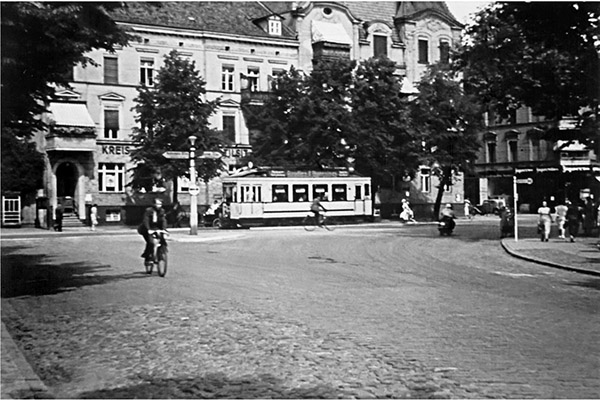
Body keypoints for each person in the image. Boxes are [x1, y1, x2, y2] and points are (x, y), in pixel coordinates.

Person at [138, 198, 168, 262]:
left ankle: (161, 253)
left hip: (157, 228)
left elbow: (163, 220)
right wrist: (148, 229)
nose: (159, 205)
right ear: (154, 204)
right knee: (150, 242)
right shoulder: (149, 210)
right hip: (147, 228)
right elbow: (146, 220)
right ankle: (148, 255)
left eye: (160, 204)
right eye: (157, 204)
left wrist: (164, 229)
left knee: (162, 239)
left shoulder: (162, 211)